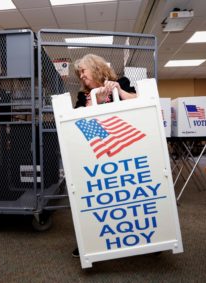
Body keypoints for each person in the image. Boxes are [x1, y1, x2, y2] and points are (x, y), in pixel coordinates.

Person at [71, 54, 138, 258]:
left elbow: (140, 102)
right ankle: (92, 243)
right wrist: (94, 102)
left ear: (96, 68)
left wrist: (118, 91)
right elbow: (76, 122)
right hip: (98, 154)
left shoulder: (122, 82)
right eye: (79, 73)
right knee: (98, 199)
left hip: (127, 149)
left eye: (83, 71)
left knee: (130, 196)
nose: (81, 76)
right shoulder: (83, 96)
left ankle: (142, 238)